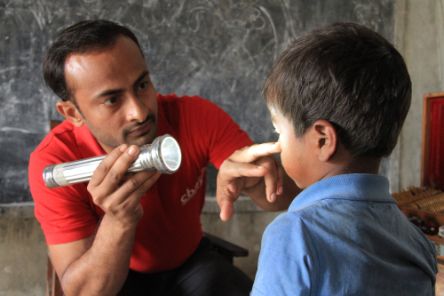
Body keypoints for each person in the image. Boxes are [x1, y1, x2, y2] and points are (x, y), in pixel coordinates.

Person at [28, 19, 292, 296]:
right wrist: (119, 220)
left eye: (142, 85)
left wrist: (258, 181)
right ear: (72, 113)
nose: (139, 112)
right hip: (115, 272)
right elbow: (84, 293)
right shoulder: (56, 163)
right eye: (112, 100)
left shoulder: (194, 116)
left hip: (190, 262)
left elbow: (281, 197)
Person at [217, 22, 437, 295]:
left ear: (322, 140)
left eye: (279, 130)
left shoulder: (293, 235)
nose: (276, 144)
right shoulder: (417, 243)